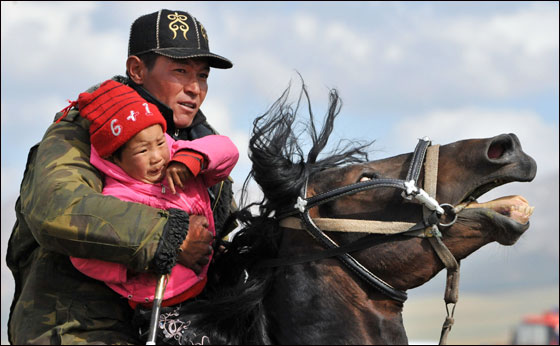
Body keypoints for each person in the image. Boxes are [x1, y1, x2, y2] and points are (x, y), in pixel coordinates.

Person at [7, 9, 237, 344]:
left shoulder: (204, 150)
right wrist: (170, 236)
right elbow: (57, 210)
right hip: (75, 329)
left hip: (172, 327)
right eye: (180, 71)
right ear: (137, 70)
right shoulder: (83, 130)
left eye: (202, 76)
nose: (195, 88)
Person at [68, 79, 238, 310]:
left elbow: (227, 149)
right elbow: (83, 256)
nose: (157, 156)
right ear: (114, 159)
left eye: (160, 142)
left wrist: (195, 158)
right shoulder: (116, 199)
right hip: (158, 307)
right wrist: (141, 260)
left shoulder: (178, 156)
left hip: (208, 287)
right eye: (142, 150)